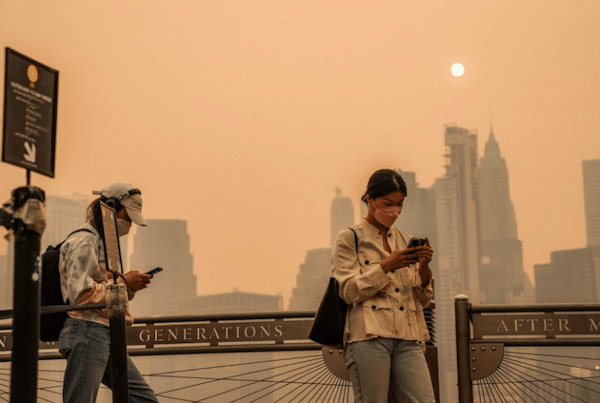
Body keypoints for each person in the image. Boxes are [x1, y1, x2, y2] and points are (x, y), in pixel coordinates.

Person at [332, 169, 436, 403]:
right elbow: (348, 291)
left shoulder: (404, 240)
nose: (394, 211)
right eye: (388, 204)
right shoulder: (350, 238)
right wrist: (386, 266)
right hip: (369, 337)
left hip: (409, 337)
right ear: (370, 199)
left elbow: (424, 299)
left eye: (399, 204)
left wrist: (424, 267)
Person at [58, 182, 159, 403]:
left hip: (106, 331)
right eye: (128, 216)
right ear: (112, 207)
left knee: (144, 400)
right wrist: (124, 282)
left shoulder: (105, 246)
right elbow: (81, 294)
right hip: (86, 330)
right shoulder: (83, 241)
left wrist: (128, 285)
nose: (130, 223)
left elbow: (109, 289)